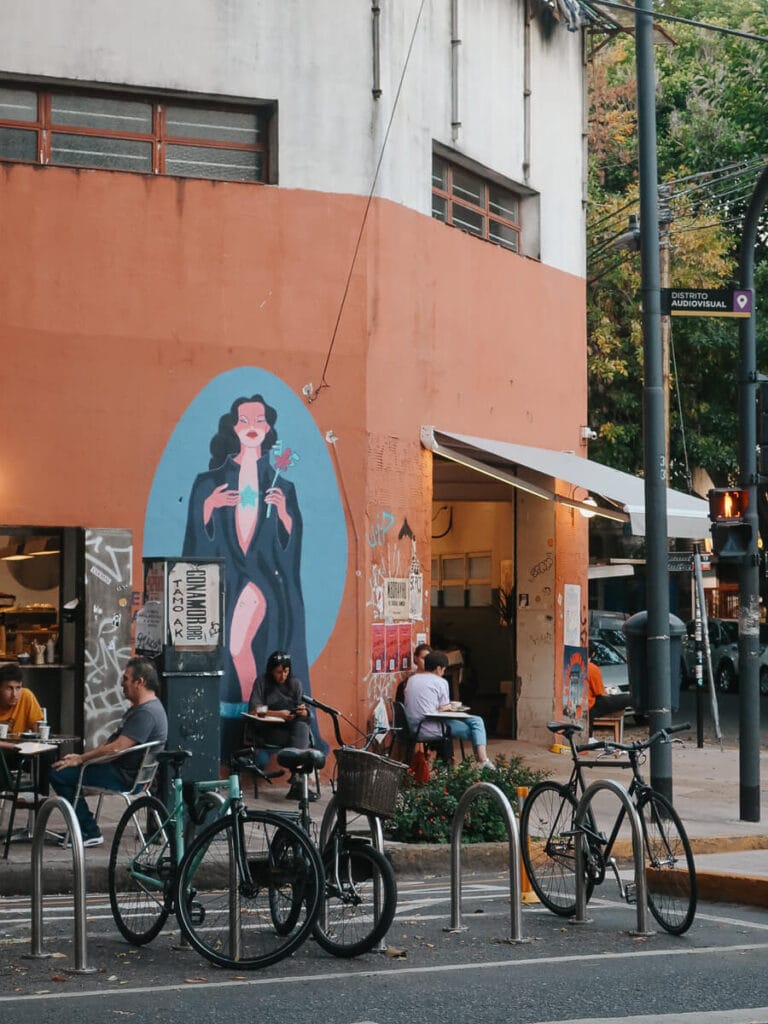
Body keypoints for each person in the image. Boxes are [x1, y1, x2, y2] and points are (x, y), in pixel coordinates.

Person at [183, 394, 309, 759]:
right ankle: (247, 712)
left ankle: (248, 713)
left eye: (259, 419)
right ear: (234, 427)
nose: (251, 425)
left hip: (266, 579)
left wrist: (285, 515)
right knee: (231, 646)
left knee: (239, 644)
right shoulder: (209, 482)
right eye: (243, 419)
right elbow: (196, 539)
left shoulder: (283, 487)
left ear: (268, 429)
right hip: (228, 579)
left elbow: (292, 541)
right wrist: (210, 507)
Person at [49, 656, 167, 848]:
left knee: (59, 774)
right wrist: (85, 759)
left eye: (126, 679)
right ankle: (80, 825)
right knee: (67, 770)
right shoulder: (143, 709)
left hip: (124, 777)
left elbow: (117, 747)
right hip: (123, 771)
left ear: (140, 682)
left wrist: (81, 759)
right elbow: (112, 743)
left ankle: (87, 831)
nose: (122, 684)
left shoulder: (146, 713)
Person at [404, 650, 494, 769]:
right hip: (432, 726)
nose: (443, 672)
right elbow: (443, 710)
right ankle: (482, 761)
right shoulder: (441, 682)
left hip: (413, 727)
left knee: (476, 722)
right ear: (438, 668)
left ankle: (482, 761)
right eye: (444, 670)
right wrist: (450, 707)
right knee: (475, 728)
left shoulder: (412, 680)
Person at [247, 650, 315, 801]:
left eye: (286, 672)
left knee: (302, 724)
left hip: (291, 729)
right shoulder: (262, 683)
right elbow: (254, 710)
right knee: (301, 737)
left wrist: (303, 711)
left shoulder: (295, 684)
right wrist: (279, 714)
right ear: (271, 670)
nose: (282, 676)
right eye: (278, 672)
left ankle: (296, 779)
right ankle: (298, 781)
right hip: (269, 730)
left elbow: (302, 708)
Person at [586, 656, 630, 734]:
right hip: (590, 706)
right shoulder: (591, 668)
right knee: (627, 698)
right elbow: (599, 692)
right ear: (593, 654)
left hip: (584, 706)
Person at [0, 663, 44, 734]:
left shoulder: (26, 695)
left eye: (18, 688)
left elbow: (38, 735)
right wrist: (14, 746)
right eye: (9, 688)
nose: (14, 694)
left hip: (21, 744)